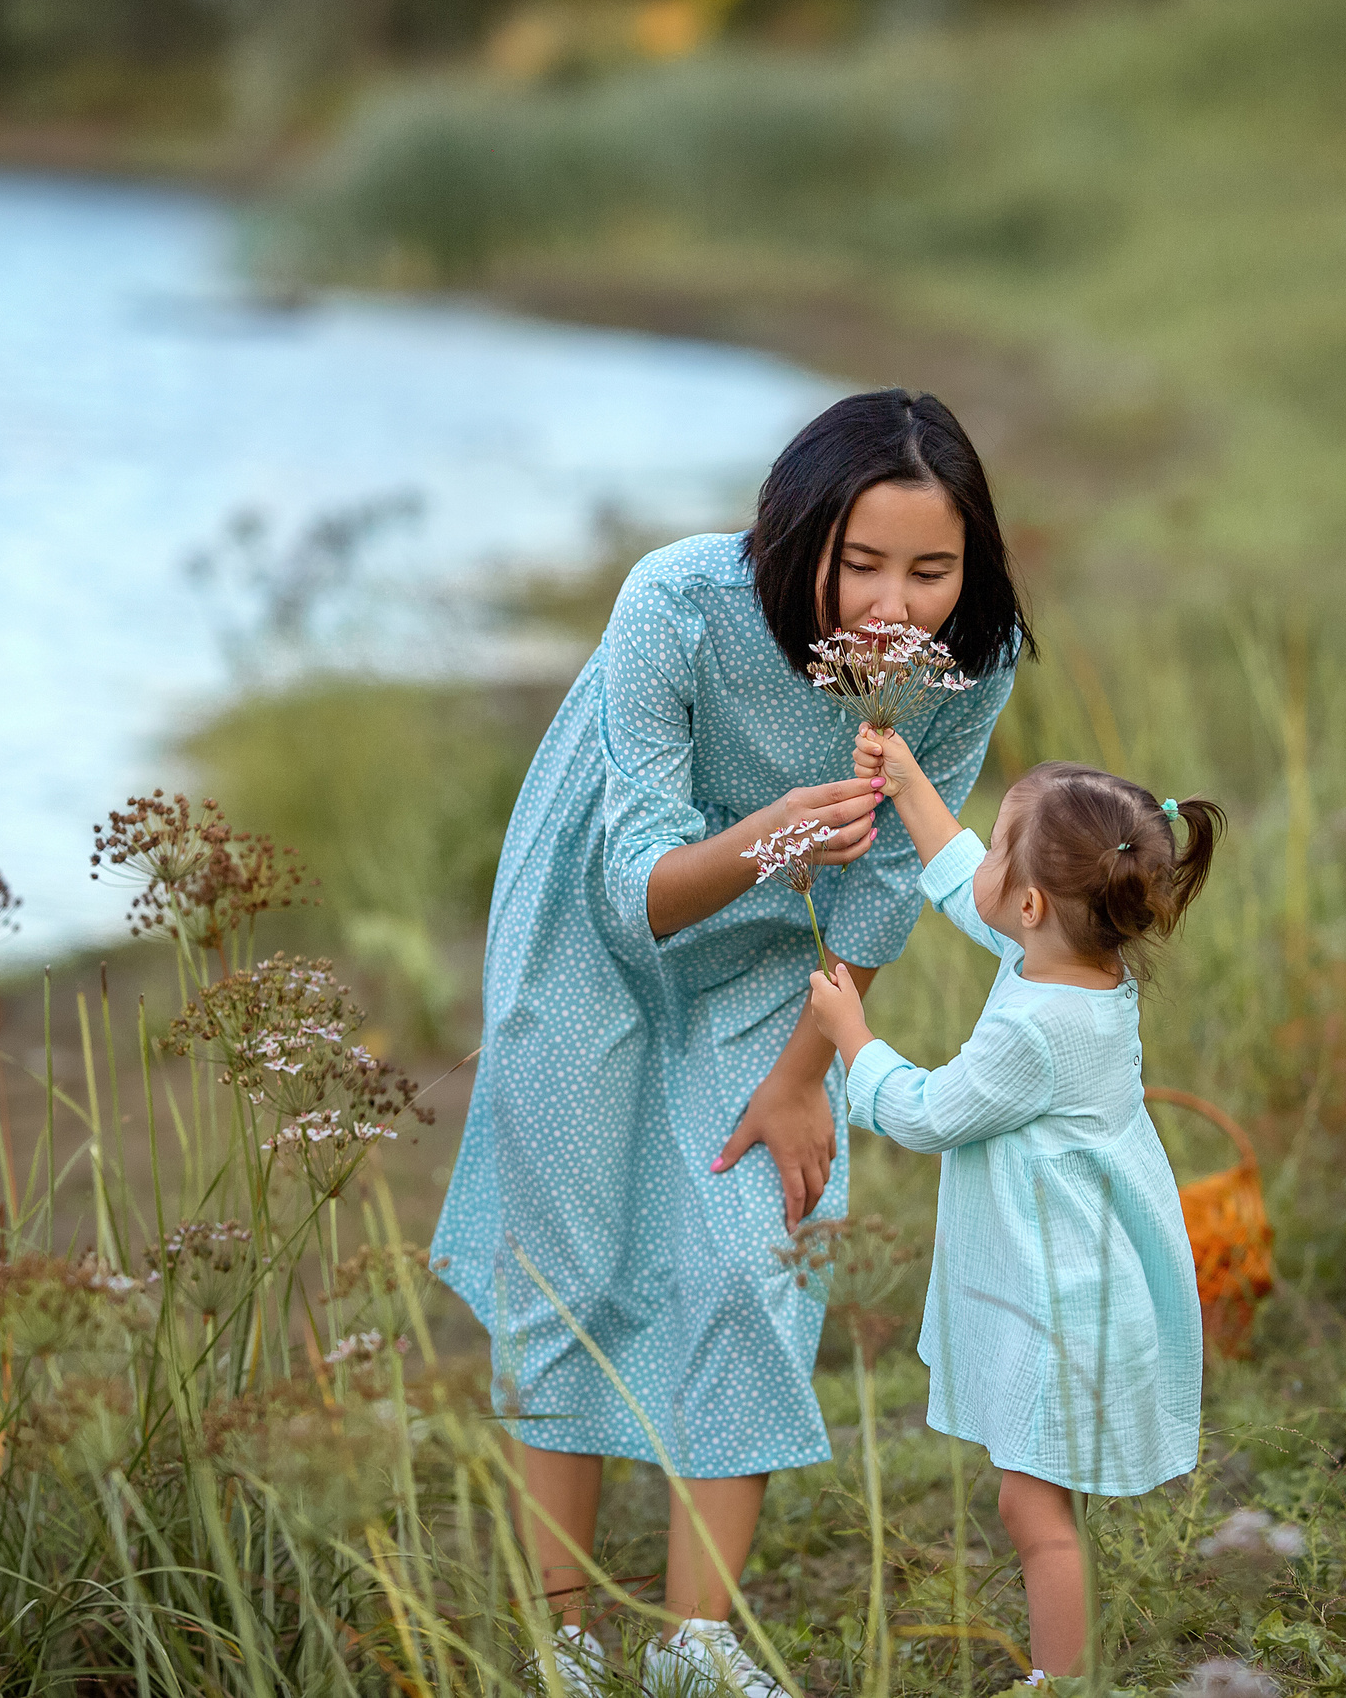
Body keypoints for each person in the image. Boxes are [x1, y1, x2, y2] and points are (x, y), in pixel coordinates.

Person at [429, 389, 1033, 1695]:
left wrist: (810, 1069)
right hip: (597, 915)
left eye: (933, 569)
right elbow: (634, 880)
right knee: (571, 1248)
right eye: (861, 560)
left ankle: (693, 1645)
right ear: (794, 530)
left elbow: (883, 883)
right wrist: (774, 834)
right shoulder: (678, 599)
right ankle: (563, 1636)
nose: (896, 602)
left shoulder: (974, 660)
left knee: (761, 1244)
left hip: (781, 952)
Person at [806, 728, 1222, 1683]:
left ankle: (1061, 1680)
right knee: (1034, 1503)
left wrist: (850, 1034)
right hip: (1074, 1277)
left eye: (999, 845)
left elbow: (925, 1113)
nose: (981, 859)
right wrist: (909, 786)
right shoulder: (1075, 964)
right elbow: (969, 884)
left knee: (1038, 1519)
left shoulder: (1035, 1029)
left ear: (1031, 902)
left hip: (1059, 1298)